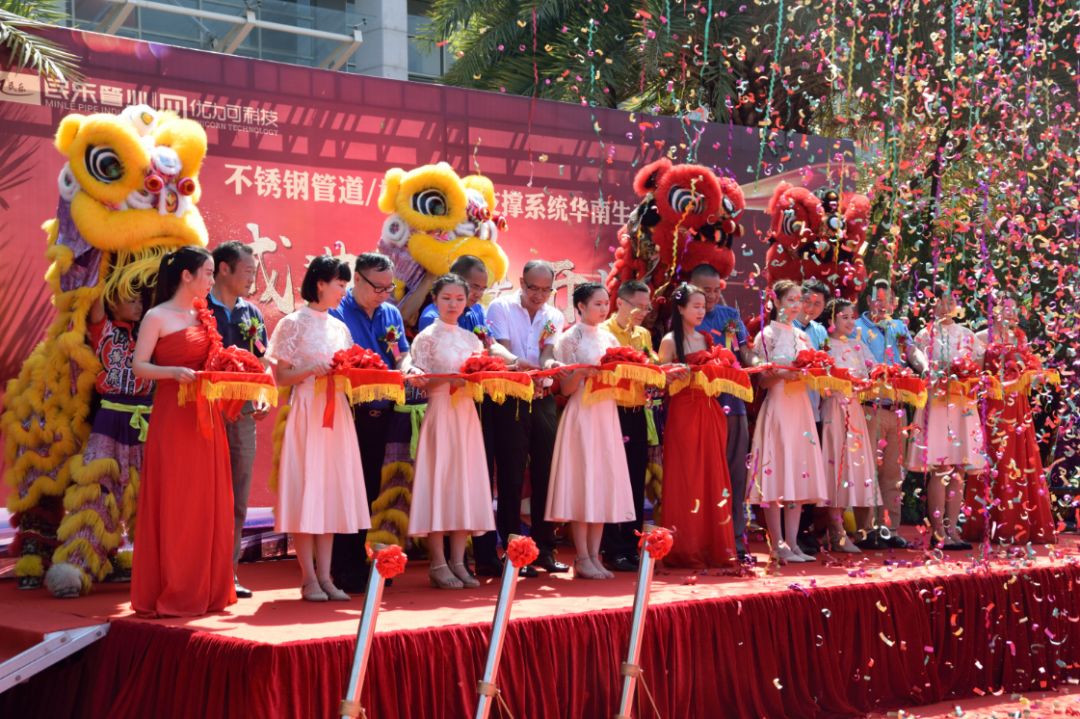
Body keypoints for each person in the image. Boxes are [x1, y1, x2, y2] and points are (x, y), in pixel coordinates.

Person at [131, 247, 235, 617]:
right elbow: (139, 366)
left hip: (206, 415)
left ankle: (207, 588)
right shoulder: (157, 316)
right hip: (173, 416)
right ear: (186, 275)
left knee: (207, 500)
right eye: (207, 272)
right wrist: (172, 373)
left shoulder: (204, 314)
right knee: (178, 500)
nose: (212, 279)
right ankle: (176, 588)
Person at [269, 256, 370, 601]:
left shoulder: (339, 327)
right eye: (340, 284)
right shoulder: (292, 323)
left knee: (329, 491)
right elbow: (282, 376)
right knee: (306, 488)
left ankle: (326, 578)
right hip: (308, 410)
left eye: (345, 285)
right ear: (320, 284)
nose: (343, 291)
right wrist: (311, 369)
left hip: (337, 412)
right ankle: (308, 578)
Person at [46, 288, 155, 597]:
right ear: (112, 304)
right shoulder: (103, 328)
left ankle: (158, 570)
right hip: (110, 422)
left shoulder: (150, 330)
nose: (139, 305)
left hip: (146, 424)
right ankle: (75, 570)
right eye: (131, 300)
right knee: (97, 495)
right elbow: (95, 292)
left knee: (148, 497)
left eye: (140, 300)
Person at [475, 260, 569, 577]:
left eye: (545, 290)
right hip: (509, 397)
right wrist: (520, 364)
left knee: (546, 471)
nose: (538, 295)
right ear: (521, 282)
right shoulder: (500, 307)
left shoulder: (553, 315)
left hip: (542, 396)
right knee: (511, 475)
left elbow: (548, 351)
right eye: (533, 288)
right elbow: (497, 349)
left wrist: (550, 366)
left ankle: (545, 548)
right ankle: (514, 550)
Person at [329, 252, 414, 592]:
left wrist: (407, 367)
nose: (383, 294)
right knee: (344, 487)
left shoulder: (390, 313)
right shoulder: (337, 310)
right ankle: (340, 565)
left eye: (388, 287)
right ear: (357, 279)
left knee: (368, 487)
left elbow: (401, 354)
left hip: (382, 411)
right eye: (377, 287)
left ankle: (358, 559)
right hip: (347, 411)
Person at [408, 274, 496, 589]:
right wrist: (449, 379)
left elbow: (481, 378)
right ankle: (437, 562)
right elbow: (420, 383)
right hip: (441, 412)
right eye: (446, 298)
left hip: (466, 415)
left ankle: (459, 561)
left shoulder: (472, 340)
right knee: (439, 482)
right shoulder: (426, 338)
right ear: (435, 299)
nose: (453, 304)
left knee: (463, 484)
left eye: (459, 298)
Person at [546, 283, 636, 579]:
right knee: (583, 482)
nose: (603, 308)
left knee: (602, 483)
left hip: (606, 413)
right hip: (582, 414)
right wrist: (581, 372)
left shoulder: (609, 337)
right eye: (597, 304)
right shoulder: (569, 338)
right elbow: (566, 389)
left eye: (605, 303)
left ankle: (594, 556)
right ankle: (582, 556)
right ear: (580, 306)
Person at [748, 280, 829, 564]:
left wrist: (813, 372)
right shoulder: (766, 335)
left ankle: (793, 543)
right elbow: (762, 380)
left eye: (799, 300)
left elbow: (815, 371)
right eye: (790, 300)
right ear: (777, 302)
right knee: (775, 473)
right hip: (779, 407)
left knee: (797, 473)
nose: (796, 306)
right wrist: (783, 374)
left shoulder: (803, 336)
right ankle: (777, 544)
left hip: (801, 408)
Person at [658, 284, 739, 569]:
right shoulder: (670, 340)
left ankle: (712, 546)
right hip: (684, 411)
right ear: (680, 309)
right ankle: (685, 547)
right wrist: (674, 373)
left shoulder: (706, 338)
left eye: (703, 306)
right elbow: (659, 380)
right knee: (687, 476)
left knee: (711, 475)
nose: (701, 311)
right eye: (695, 306)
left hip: (709, 409)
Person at [964, 295, 1056, 545]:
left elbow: (1029, 371)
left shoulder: (1020, 338)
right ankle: (990, 523)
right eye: (1006, 308)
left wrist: (1037, 376)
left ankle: (1019, 523)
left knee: (1018, 460)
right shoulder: (981, 337)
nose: (1011, 313)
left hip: (1018, 407)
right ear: (994, 311)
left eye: (1014, 309)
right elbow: (975, 374)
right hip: (993, 407)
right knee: (996, 459)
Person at [904, 284, 987, 550]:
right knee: (941, 467)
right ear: (933, 304)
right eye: (941, 301)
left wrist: (965, 375)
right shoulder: (925, 335)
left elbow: (978, 369)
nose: (946, 305)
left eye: (951, 301)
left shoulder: (968, 335)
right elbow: (919, 364)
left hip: (962, 406)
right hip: (938, 404)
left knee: (959, 468)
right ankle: (939, 531)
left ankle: (953, 529)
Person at [208, 241, 269, 599]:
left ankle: (228, 575)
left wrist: (262, 396)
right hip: (205, 411)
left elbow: (261, 362)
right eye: (247, 271)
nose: (252, 278)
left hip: (243, 412)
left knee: (237, 497)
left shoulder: (252, 313)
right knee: (203, 495)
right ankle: (200, 573)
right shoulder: (199, 308)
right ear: (223, 269)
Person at [854, 279, 927, 548]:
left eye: (887, 300)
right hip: (869, 407)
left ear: (894, 304)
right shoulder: (857, 327)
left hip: (897, 409)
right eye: (877, 298)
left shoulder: (898, 326)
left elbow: (912, 351)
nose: (881, 304)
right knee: (868, 470)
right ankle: (866, 530)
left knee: (894, 474)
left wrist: (923, 366)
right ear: (868, 300)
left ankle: (890, 529)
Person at [690, 264, 755, 560]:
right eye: (706, 291)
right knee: (704, 476)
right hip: (701, 407)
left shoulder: (730, 316)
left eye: (717, 290)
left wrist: (758, 363)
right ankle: (704, 540)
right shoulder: (686, 319)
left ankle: (735, 541)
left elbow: (745, 351)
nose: (713, 296)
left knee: (735, 475)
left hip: (734, 404)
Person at [599, 280, 655, 572]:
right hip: (612, 411)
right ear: (620, 302)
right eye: (638, 306)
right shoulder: (605, 332)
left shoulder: (643, 334)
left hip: (637, 412)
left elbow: (651, 368)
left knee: (635, 479)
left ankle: (631, 545)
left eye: (647, 307)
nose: (643, 312)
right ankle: (611, 548)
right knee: (612, 479)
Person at [820, 299, 879, 553]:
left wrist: (872, 381)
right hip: (834, 408)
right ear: (831, 320)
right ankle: (836, 531)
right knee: (836, 465)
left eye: (852, 317)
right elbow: (820, 383)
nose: (850, 322)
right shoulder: (824, 346)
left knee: (852, 468)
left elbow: (872, 371)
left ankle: (846, 530)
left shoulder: (858, 345)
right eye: (844, 317)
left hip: (854, 409)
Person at [792, 278, 830, 554]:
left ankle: (805, 530)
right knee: (791, 469)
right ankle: (788, 533)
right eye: (808, 301)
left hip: (814, 409)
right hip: (790, 407)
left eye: (818, 304)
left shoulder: (820, 331)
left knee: (809, 471)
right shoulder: (788, 327)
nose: (812, 307)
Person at [416, 255, 490, 333]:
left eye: (483, 289)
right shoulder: (433, 318)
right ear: (457, 280)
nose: (479, 294)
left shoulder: (477, 310)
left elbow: (489, 339)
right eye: (475, 286)